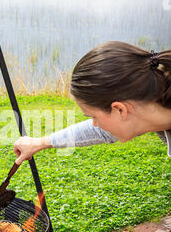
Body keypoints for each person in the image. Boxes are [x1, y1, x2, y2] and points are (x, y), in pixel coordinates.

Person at [13, 41, 171, 163]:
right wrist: (41, 142)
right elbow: (99, 131)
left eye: (93, 117)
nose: (94, 124)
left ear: (120, 110)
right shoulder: (154, 113)